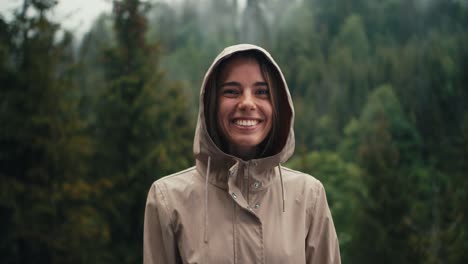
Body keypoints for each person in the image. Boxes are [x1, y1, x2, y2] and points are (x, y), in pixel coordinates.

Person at [144, 44, 341, 263]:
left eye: (262, 92)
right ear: (211, 104)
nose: (247, 103)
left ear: (278, 106)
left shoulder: (308, 196)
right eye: (231, 91)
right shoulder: (168, 199)